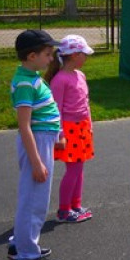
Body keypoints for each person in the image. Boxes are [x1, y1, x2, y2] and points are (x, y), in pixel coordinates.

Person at [8, 29, 64, 260]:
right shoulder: (24, 83)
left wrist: (57, 134)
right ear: (32, 56)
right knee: (34, 202)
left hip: (44, 141)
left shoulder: (32, 77)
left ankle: (19, 244)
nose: (51, 58)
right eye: (47, 54)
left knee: (33, 198)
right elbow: (24, 125)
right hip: (37, 144)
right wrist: (36, 161)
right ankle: (27, 259)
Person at [46, 35, 96, 223]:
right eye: (84, 54)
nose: (86, 57)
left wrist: (89, 124)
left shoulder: (80, 75)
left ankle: (76, 205)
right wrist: (59, 134)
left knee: (79, 168)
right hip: (69, 130)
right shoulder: (60, 80)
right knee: (73, 170)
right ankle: (64, 210)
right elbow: (55, 109)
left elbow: (86, 103)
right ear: (74, 55)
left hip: (82, 128)